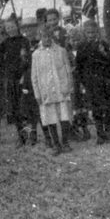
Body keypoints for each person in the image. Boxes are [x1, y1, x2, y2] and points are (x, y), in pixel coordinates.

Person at [73, 20, 110, 145]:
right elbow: (79, 66)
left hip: (105, 81)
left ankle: (107, 131)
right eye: (89, 33)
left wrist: (104, 53)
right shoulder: (81, 46)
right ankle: (100, 133)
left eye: (94, 32)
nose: (91, 35)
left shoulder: (104, 44)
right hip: (90, 82)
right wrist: (82, 82)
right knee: (96, 109)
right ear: (84, 33)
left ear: (97, 32)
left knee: (107, 108)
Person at [31, 27, 74, 155]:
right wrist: (37, 94)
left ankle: (65, 142)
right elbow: (34, 77)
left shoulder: (61, 51)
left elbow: (67, 70)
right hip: (46, 91)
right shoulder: (36, 55)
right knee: (51, 118)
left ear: (53, 37)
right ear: (40, 37)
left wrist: (68, 86)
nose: (47, 39)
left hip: (61, 89)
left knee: (64, 116)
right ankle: (56, 144)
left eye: (49, 36)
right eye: (44, 36)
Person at [0, 15, 34, 146]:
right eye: (7, 28)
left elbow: (27, 59)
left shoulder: (24, 41)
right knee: (14, 109)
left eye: (12, 27)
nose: (10, 30)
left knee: (25, 108)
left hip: (22, 79)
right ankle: (21, 136)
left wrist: (24, 75)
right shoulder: (5, 43)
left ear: (17, 27)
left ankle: (31, 135)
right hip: (11, 79)